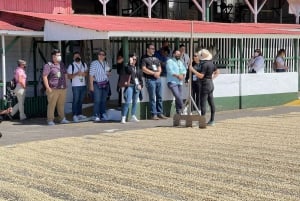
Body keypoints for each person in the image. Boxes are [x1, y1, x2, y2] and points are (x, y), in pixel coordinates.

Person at [189, 49, 219, 126]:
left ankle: (202, 121)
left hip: (205, 84)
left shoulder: (204, 65)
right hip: (210, 83)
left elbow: (201, 76)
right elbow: (217, 72)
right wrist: (211, 78)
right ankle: (212, 120)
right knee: (211, 102)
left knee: (203, 103)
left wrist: (193, 70)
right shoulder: (211, 63)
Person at [43, 49, 69, 126]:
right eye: (58, 55)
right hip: (53, 88)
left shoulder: (62, 64)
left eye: (60, 55)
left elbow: (65, 74)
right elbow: (44, 76)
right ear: (53, 56)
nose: (60, 57)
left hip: (62, 88)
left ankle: (62, 118)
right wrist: (47, 87)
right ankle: (50, 120)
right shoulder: (48, 65)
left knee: (61, 104)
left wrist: (66, 84)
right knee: (52, 104)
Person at [141, 43, 168, 120]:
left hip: (157, 79)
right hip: (150, 79)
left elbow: (159, 67)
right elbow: (144, 69)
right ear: (147, 49)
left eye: (154, 48)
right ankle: (154, 114)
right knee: (152, 97)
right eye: (152, 48)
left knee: (159, 96)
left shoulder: (156, 58)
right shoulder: (144, 58)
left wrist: (158, 73)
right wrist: (153, 73)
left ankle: (160, 113)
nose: (153, 50)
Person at [121, 54, 143, 124]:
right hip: (130, 85)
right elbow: (129, 71)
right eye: (132, 59)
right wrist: (130, 64)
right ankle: (123, 117)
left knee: (135, 102)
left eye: (135, 59)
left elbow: (140, 79)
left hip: (136, 86)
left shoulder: (138, 68)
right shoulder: (127, 66)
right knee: (128, 101)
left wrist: (141, 85)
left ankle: (133, 115)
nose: (134, 61)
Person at [89, 49, 111, 122]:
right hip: (97, 83)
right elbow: (91, 75)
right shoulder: (94, 63)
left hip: (105, 83)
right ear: (98, 55)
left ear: (105, 56)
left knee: (103, 100)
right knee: (97, 100)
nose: (101, 56)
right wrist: (91, 86)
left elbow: (108, 72)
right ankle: (96, 115)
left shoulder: (106, 63)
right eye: (100, 54)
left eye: (103, 55)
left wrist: (108, 74)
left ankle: (102, 114)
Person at [67, 52, 88, 122]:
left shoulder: (84, 64)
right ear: (73, 58)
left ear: (80, 57)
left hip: (83, 85)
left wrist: (83, 73)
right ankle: (74, 115)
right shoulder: (71, 66)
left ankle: (80, 114)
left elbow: (87, 73)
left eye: (78, 56)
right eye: (75, 56)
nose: (77, 57)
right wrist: (76, 74)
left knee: (81, 100)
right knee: (76, 100)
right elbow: (69, 76)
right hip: (75, 86)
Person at [166, 50, 187, 114]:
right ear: (173, 54)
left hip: (179, 82)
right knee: (177, 96)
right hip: (172, 82)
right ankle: (184, 108)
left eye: (179, 54)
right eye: (177, 54)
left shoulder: (180, 62)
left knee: (178, 97)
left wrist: (182, 76)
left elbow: (184, 70)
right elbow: (170, 71)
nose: (179, 55)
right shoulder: (169, 61)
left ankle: (178, 112)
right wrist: (178, 76)